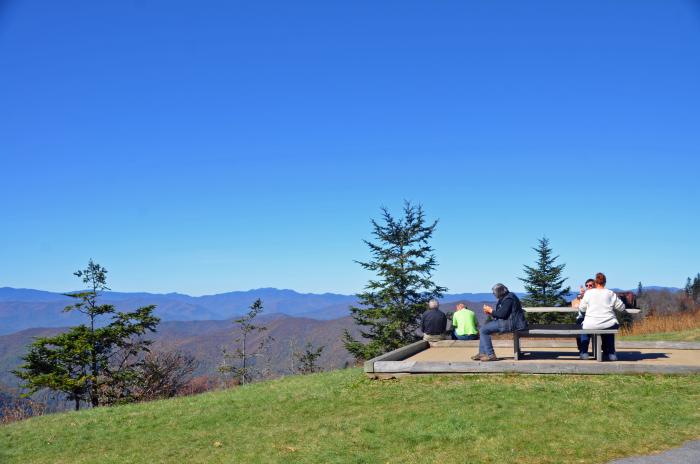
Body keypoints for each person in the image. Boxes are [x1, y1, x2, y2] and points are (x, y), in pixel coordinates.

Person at [471, 283, 528, 362]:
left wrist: (490, 310)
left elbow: (502, 314)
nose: (494, 294)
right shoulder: (506, 297)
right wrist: (491, 312)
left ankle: (490, 355)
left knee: (483, 330)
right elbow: (500, 313)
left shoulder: (509, 299)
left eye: (494, 293)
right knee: (483, 329)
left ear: (499, 292)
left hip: (510, 324)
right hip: (507, 322)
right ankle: (482, 353)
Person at [577, 272, 626, 361]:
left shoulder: (589, 294)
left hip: (590, 323)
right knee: (610, 329)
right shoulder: (610, 293)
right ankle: (611, 353)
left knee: (584, 328)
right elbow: (621, 307)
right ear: (605, 282)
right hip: (608, 323)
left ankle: (584, 353)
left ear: (595, 282)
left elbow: (582, 308)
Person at [572, 278, 595, 359]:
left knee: (583, 327)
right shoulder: (582, 296)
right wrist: (580, 297)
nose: (588, 287)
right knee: (579, 323)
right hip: (582, 318)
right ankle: (581, 350)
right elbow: (573, 305)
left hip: (593, 318)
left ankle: (583, 351)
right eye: (587, 286)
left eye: (590, 285)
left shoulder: (596, 296)